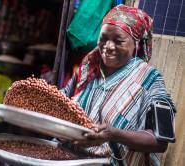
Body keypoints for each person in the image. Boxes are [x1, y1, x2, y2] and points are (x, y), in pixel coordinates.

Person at [61, 4, 176, 166]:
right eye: (103, 38)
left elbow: (160, 142)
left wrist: (114, 134)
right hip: (71, 160)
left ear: (136, 44)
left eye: (118, 41)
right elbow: (60, 102)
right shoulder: (88, 68)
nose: (108, 47)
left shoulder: (149, 79)